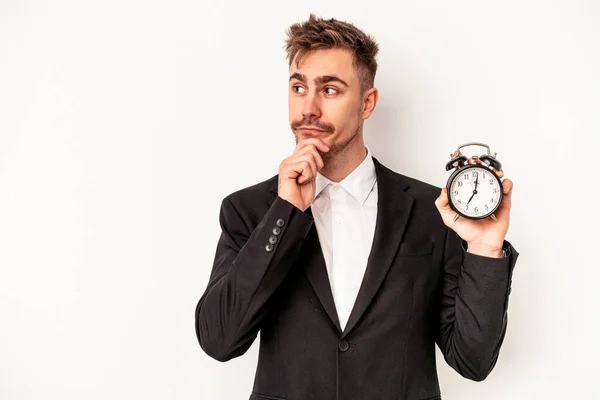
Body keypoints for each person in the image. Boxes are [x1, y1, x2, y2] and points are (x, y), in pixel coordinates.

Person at [195, 14, 519, 400]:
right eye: (299, 87)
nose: (309, 108)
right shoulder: (248, 211)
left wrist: (484, 249)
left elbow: (473, 362)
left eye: (329, 90)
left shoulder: (434, 212)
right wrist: (283, 213)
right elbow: (220, 340)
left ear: (367, 103)